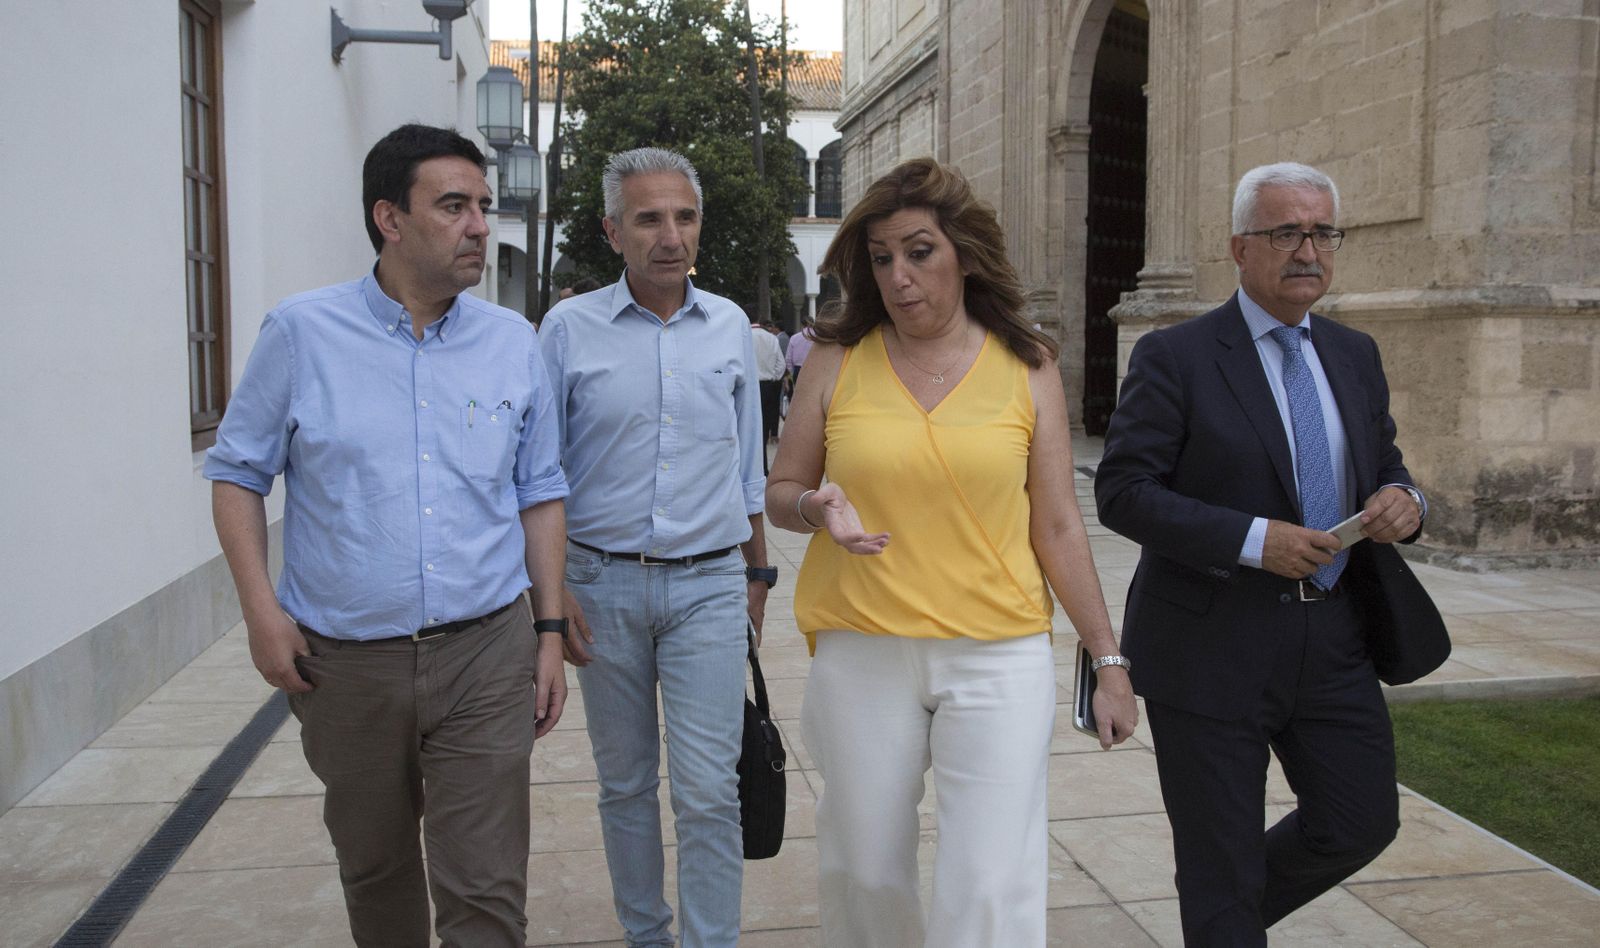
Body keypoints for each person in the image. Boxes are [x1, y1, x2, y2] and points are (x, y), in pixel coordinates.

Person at [205, 124, 571, 948]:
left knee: (485, 885)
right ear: (389, 218)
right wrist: (262, 612)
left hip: (485, 650)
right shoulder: (302, 334)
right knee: (376, 872)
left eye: (484, 206)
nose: (480, 224)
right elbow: (236, 474)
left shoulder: (512, 343)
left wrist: (547, 631)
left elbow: (540, 491)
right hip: (345, 664)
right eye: (453, 205)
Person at [766, 158, 1138, 948]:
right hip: (864, 648)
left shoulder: (1028, 366)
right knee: (864, 869)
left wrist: (1109, 661)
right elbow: (783, 488)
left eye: (919, 251)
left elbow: (1060, 525)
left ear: (963, 252)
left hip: (995, 653)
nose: (899, 276)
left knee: (990, 880)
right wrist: (813, 506)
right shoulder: (837, 359)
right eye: (881, 258)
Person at [1094, 161, 1440, 946]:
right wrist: (1256, 541)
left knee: (1359, 821)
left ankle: (1225, 922)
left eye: (1322, 232)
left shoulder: (1354, 354)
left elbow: (1385, 466)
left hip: (1333, 637)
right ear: (1239, 248)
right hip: (1208, 642)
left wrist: (1406, 503)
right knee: (1219, 864)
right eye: (1286, 231)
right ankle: (1223, 919)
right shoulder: (1175, 356)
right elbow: (1124, 491)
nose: (1307, 250)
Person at [540, 146, 774, 948]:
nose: (670, 235)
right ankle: (648, 935)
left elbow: (748, 467)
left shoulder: (731, 329)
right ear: (613, 230)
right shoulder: (567, 331)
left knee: (709, 789)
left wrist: (759, 573)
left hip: (709, 586)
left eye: (684, 216)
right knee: (626, 785)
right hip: (599, 586)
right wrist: (553, 593)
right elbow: (539, 473)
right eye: (648, 218)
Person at [751, 317, 786, 450]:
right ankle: (763, 462)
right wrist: (773, 377)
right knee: (765, 425)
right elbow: (781, 364)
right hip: (768, 385)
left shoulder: (744, 335)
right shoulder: (772, 338)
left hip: (751, 385)